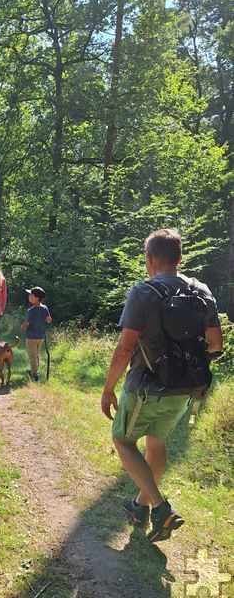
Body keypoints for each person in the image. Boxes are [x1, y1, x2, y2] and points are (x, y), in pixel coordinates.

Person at [101, 229, 223, 543]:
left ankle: (160, 506)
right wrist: (181, 358)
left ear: (150, 259)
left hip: (145, 387)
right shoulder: (202, 291)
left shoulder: (143, 291)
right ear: (180, 259)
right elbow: (214, 344)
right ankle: (140, 505)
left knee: (123, 440)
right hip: (184, 390)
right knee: (156, 444)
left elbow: (126, 348)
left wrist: (108, 388)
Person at [20, 286, 52, 381]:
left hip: (31, 337)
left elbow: (27, 323)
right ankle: (34, 369)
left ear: (37, 298)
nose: (29, 296)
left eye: (31, 295)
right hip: (41, 336)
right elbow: (49, 320)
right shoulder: (44, 308)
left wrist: (23, 327)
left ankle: (34, 374)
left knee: (32, 355)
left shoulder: (31, 311)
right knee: (36, 354)